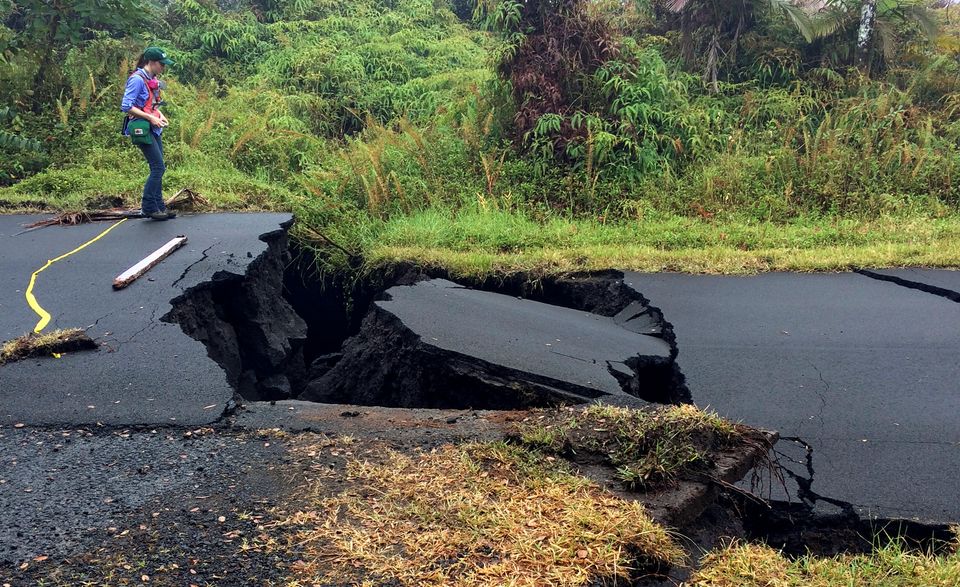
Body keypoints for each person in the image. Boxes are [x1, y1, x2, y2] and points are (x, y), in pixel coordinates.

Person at [121, 47, 176, 221]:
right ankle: (148, 207)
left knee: (159, 167)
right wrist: (150, 118)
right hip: (142, 127)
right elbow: (126, 106)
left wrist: (160, 116)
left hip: (153, 126)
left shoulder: (152, 79)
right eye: (161, 64)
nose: (163, 68)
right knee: (158, 167)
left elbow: (151, 104)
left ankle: (160, 207)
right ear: (151, 62)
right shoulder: (137, 80)